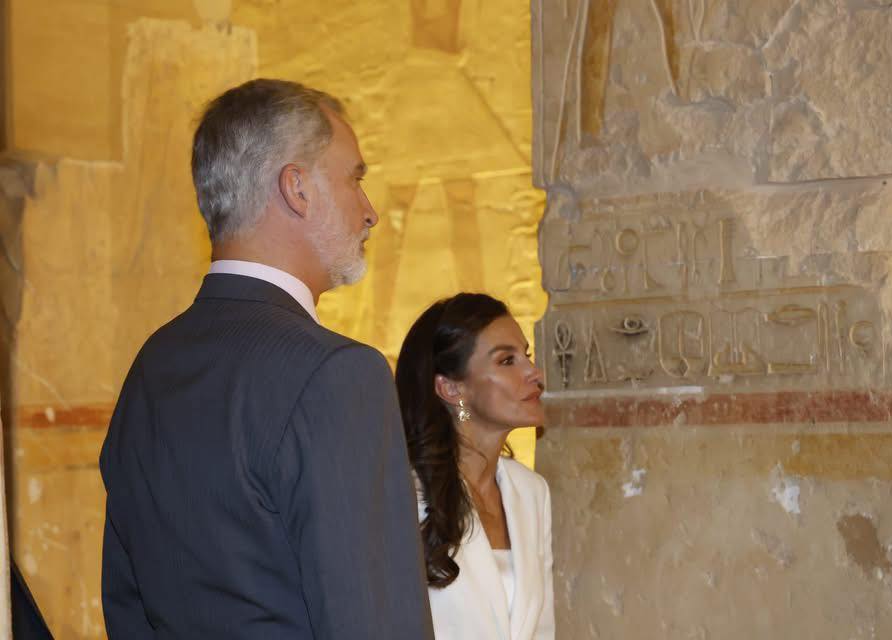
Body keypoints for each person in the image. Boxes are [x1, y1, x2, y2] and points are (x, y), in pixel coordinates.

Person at [99, 79, 434, 639]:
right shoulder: (339, 373)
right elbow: (373, 621)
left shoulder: (152, 364)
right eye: (355, 179)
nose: (370, 212)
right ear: (296, 189)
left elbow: (126, 605)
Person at [395, 293, 555, 640]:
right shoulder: (402, 493)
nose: (534, 373)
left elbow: (541, 629)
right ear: (451, 388)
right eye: (507, 361)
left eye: (526, 355)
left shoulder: (531, 492)